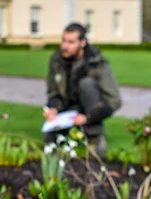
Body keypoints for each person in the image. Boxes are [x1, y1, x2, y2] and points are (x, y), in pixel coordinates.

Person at [43, 22, 122, 156]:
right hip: (66, 110)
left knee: (87, 84)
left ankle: (95, 137)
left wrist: (87, 118)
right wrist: (53, 108)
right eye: (63, 41)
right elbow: (53, 92)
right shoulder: (56, 60)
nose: (65, 46)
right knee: (49, 145)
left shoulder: (97, 63)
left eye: (71, 42)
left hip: (89, 111)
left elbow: (114, 100)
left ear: (83, 43)